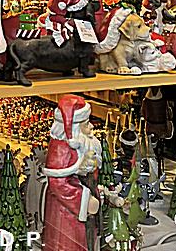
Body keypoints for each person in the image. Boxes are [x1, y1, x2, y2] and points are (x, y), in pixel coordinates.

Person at [43, 95, 102, 251]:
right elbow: (58, 184)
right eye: (86, 124)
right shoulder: (61, 148)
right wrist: (84, 200)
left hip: (80, 210)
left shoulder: (80, 145)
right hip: (66, 212)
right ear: (74, 128)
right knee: (68, 244)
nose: (91, 127)